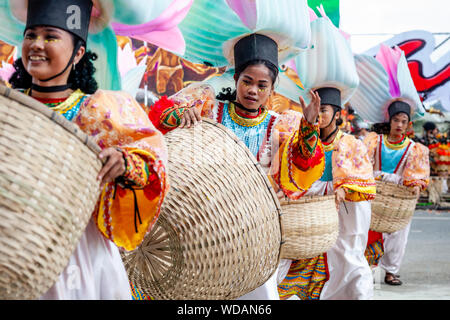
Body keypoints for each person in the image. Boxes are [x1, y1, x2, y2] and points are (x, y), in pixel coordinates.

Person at [9, 0, 168, 299]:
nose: (36, 45)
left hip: (80, 255)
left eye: (50, 37)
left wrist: (125, 164)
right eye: (31, 35)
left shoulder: (103, 111)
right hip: (12, 244)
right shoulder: (9, 106)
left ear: (78, 52)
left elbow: (152, 161)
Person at [149, 32, 325, 300]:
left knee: (257, 295)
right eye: (247, 81)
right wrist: (182, 115)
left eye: (262, 85)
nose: (253, 90)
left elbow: (303, 161)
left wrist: (309, 126)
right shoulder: (210, 108)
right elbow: (159, 117)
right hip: (204, 224)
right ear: (235, 79)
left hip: (256, 230)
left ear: (272, 90)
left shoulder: (281, 125)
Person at [276, 15, 376, 300]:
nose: (318, 116)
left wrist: (342, 189)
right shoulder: (301, 138)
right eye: (315, 110)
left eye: (324, 111)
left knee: (348, 263)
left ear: (337, 114)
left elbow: (363, 183)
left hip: (341, 219)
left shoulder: (351, 144)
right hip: (308, 216)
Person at [350, 45, 430, 286]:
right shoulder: (374, 140)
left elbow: (417, 174)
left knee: (398, 234)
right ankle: (364, 267)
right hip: (373, 192)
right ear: (389, 120)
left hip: (398, 197)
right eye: (396, 120)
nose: (400, 124)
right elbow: (360, 161)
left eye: (404, 121)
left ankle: (391, 270)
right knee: (366, 229)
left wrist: (415, 184)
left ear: (407, 124)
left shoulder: (415, 149)